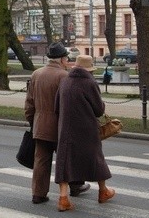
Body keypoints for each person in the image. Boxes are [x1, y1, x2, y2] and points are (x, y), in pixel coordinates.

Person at [24, 42, 90, 205]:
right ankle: (75, 187)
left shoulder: (36, 74)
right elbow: (70, 104)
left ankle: (38, 194)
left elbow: (29, 102)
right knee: (69, 158)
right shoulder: (64, 76)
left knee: (41, 160)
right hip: (61, 125)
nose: (67, 62)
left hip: (40, 123)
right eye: (66, 59)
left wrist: (32, 120)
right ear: (61, 59)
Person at [54, 55, 115, 212]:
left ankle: (63, 198)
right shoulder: (90, 83)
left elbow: (56, 106)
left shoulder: (65, 81)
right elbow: (98, 110)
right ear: (89, 70)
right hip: (87, 129)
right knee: (95, 159)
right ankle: (103, 192)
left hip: (66, 128)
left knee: (65, 160)